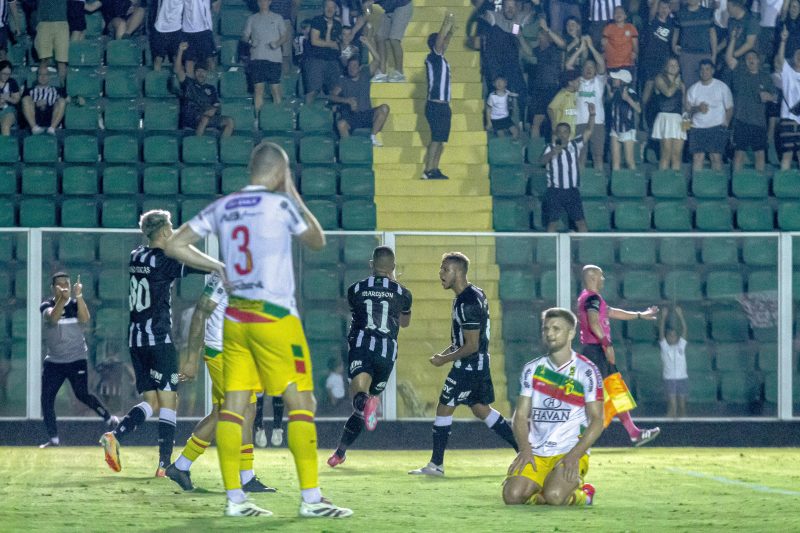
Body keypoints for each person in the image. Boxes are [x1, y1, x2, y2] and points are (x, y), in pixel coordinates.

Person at [163, 141, 352, 518]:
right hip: (275, 317)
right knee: (301, 402)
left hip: (236, 320)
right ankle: (312, 500)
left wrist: (219, 267)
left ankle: (236, 499)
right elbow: (317, 240)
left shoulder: (225, 206)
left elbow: (173, 244)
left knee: (233, 409)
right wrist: (292, 191)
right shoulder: (279, 204)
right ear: (279, 172)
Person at [99, 210, 204, 477]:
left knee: (152, 401)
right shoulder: (164, 260)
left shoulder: (137, 255)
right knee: (169, 400)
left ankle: (115, 434)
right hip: (158, 339)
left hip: (136, 339)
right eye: (171, 228)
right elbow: (194, 266)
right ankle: (163, 464)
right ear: (165, 232)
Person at [164, 273, 276, 494]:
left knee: (223, 412)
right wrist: (191, 359)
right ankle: (246, 478)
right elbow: (200, 312)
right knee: (244, 409)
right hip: (223, 353)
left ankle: (181, 467)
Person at [409, 252, 517, 477]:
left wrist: (443, 360)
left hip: (468, 366)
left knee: (444, 407)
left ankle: (436, 465)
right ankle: (524, 449)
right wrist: (446, 352)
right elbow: (464, 341)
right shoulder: (474, 294)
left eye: (445, 269)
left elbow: (472, 345)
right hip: (477, 364)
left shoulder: (467, 303)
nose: (441, 274)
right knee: (481, 409)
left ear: (458, 272)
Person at [502, 308, 603, 507]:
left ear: (571, 333)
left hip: (568, 451)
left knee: (555, 497)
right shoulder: (532, 369)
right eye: (546, 328)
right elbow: (520, 416)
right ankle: (543, 490)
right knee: (512, 496)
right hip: (537, 452)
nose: (549, 333)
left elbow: (597, 420)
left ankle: (585, 494)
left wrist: (575, 454)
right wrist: (525, 450)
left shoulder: (587, 371)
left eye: (556, 329)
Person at [327, 246, 413, 467]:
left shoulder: (355, 289)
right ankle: (340, 453)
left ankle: (367, 405)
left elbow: (354, 312)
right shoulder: (403, 293)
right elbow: (404, 323)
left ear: (371, 264)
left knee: (358, 397)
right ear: (393, 268)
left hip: (362, 346)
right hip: (386, 353)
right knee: (362, 408)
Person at [577, 264, 661, 446]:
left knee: (614, 390)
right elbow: (593, 322)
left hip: (596, 351)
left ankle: (633, 433)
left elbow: (613, 312)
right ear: (592, 278)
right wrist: (606, 344)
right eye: (601, 276)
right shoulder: (591, 299)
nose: (604, 279)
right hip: (595, 352)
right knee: (598, 394)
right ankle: (579, 435)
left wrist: (640, 315)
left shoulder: (593, 299)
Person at [39, 273, 118, 448]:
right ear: (53, 288)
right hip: (54, 361)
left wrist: (79, 296)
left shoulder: (75, 304)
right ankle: (53, 439)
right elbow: (53, 318)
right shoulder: (46, 305)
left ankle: (109, 418)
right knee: (47, 399)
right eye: (59, 285)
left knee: (82, 394)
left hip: (76, 360)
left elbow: (85, 318)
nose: (63, 287)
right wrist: (62, 299)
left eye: (66, 284)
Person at [540, 105, 595, 233]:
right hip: (555, 191)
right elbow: (541, 161)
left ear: (569, 133)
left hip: (572, 191)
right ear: (556, 133)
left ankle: (585, 250)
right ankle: (550, 250)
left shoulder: (575, 145)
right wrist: (553, 153)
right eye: (560, 132)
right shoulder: (550, 147)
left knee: (581, 223)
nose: (563, 135)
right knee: (552, 223)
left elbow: (588, 131)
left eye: (565, 132)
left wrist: (592, 116)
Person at [330, 36, 390, 147]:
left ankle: (372, 137)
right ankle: (349, 148)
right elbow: (332, 96)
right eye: (350, 66)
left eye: (355, 66)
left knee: (384, 108)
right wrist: (346, 100)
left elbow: (377, 60)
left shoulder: (365, 74)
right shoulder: (343, 80)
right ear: (347, 67)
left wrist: (368, 44)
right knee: (341, 124)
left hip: (366, 114)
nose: (353, 68)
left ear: (359, 67)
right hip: (351, 116)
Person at [726, 43, 775, 172]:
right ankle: (736, 182)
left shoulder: (765, 77)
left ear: (758, 60)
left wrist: (769, 96)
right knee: (739, 153)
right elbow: (729, 59)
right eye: (748, 58)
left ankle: (760, 185)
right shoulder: (740, 73)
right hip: (741, 120)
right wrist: (732, 39)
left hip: (759, 122)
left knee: (760, 154)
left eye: (753, 57)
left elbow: (776, 97)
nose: (751, 60)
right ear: (745, 62)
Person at [175, 41, 235, 137]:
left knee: (229, 121)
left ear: (207, 74)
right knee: (205, 119)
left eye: (203, 72)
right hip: (190, 118)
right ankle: (198, 145)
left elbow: (216, 104)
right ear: (195, 73)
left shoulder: (211, 88)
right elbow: (178, 70)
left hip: (207, 116)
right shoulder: (188, 83)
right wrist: (180, 51)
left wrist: (214, 109)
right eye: (198, 71)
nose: (201, 74)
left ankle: (222, 146)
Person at [422, 12, 455, 180]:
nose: (444, 44)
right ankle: (428, 170)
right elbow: (442, 38)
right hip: (435, 105)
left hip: (444, 105)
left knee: (441, 140)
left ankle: (434, 169)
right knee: (436, 139)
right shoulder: (433, 57)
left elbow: (446, 39)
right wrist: (446, 23)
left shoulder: (441, 58)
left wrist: (452, 30)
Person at [243, 0, 290, 112]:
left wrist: (277, 44)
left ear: (270, 2)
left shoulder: (278, 18)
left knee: (275, 89)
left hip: (274, 59)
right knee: (258, 90)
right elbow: (245, 36)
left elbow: (284, 36)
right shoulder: (252, 18)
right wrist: (250, 42)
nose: (263, 2)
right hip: (257, 58)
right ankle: (258, 119)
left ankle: (278, 118)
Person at [686, 59, 733, 171]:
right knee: (697, 158)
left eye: (707, 69)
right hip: (697, 128)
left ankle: (717, 186)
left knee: (716, 157)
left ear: (712, 71)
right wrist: (697, 108)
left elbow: (730, 108)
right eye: (702, 69)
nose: (704, 72)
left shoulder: (722, 87)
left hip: (716, 127)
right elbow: (686, 111)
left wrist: (726, 124)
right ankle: (697, 185)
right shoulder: (693, 89)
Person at [568, 36, 606, 169]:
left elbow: (601, 63)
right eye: (586, 67)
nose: (589, 69)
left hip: (597, 122)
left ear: (595, 70)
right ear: (582, 69)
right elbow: (568, 65)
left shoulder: (599, 81)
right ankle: (581, 185)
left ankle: (598, 184)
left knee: (598, 156)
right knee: (580, 156)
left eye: (591, 67)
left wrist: (590, 47)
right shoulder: (577, 81)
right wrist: (581, 50)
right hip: (579, 122)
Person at [650, 56, 687, 171]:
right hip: (664, 117)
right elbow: (668, 93)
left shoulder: (681, 84)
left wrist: (687, 125)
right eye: (671, 65)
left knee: (677, 155)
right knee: (666, 154)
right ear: (665, 67)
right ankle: (663, 183)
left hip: (678, 119)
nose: (673, 67)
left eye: (676, 65)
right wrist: (676, 83)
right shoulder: (659, 79)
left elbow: (684, 105)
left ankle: (675, 184)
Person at [304, 0, 343, 105]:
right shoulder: (317, 21)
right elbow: (314, 41)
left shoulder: (338, 25)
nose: (329, 9)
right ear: (323, 8)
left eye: (332, 7)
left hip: (333, 61)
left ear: (335, 9)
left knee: (335, 91)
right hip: (316, 60)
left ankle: (333, 117)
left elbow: (339, 44)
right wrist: (331, 44)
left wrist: (331, 44)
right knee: (313, 91)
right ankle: (307, 115)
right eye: (327, 7)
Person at [526, 27, 563, 139]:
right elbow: (528, 52)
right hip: (539, 90)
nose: (540, 36)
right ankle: (535, 152)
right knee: (536, 122)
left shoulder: (554, 49)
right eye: (539, 34)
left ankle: (556, 148)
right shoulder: (537, 50)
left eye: (542, 34)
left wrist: (547, 29)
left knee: (554, 122)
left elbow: (562, 45)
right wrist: (518, 35)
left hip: (552, 89)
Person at [672, 0, 716, 89]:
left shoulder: (708, 12)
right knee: (688, 85)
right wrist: (673, 46)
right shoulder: (679, 14)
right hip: (687, 55)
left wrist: (714, 55)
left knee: (706, 84)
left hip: (704, 54)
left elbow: (712, 34)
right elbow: (676, 32)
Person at [367, 0, 413, 82]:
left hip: (402, 5)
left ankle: (400, 74)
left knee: (394, 39)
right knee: (379, 37)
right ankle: (382, 72)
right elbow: (368, 10)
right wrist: (367, 8)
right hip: (389, 9)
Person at [775, 28, 800, 170]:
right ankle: (784, 186)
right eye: (798, 54)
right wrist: (783, 40)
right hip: (787, 118)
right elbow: (779, 60)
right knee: (787, 154)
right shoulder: (788, 73)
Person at [658, 306, 688, 418]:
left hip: (682, 378)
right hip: (670, 378)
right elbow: (661, 333)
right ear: (667, 337)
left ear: (677, 337)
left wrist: (680, 316)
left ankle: (684, 426)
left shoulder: (681, 346)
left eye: (674, 335)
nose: (672, 337)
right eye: (670, 335)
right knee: (673, 405)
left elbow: (685, 329)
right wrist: (663, 318)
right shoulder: (665, 347)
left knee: (682, 406)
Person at [608, 69, 641, 170]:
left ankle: (633, 182)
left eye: (616, 78)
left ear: (622, 81)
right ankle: (616, 184)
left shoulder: (631, 93)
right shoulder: (616, 92)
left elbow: (639, 109)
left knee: (629, 161)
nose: (613, 79)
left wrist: (627, 99)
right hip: (615, 129)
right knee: (615, 162)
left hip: (627, 129)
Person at [21, 65, 66, 135]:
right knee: (25, 99)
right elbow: (23, 105)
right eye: (40, 74)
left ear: (49, 77)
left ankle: (52, 128)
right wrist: (35, 104)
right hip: (36, 116)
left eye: (45, 75)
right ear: (37, 76)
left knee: (62, 101)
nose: (43, 77)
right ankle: (34, 128)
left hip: (51, 116)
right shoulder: (29, 90)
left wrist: (78, 98)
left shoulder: (57, 90)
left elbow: (69, 99)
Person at [34, 0, 69, 85]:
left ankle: (62, 89)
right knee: (44, 59)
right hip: (43, 23)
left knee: (62, 61)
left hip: (61, 23)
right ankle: (41, 90)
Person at [181, 0, 218, 76]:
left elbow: (216, 7)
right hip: (187, 30)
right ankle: (190, 86)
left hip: (204, 29)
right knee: (189, 61)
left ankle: (211, 85)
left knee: (209, 59)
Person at [602, 5, 638, 73]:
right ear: (613, 16)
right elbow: (604, 44)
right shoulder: (608, 28)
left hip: (627, 63)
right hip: (612, 63)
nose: (618, 14)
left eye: (621, 12)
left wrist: (635, 53)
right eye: (616, 12)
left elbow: (635, 45)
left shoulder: (631, 27)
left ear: (625, 16)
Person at [150, 0, 183, 71]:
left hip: (177, 28)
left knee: (176, 59)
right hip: (160, 28)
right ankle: (156, 81)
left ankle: (177, 81)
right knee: (158, 59)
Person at [547, 69, 580, 137]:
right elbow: (550, 109)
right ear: (570, 83)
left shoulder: (577, 94)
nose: (580, 83)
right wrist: (554, 124)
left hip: (573, 134)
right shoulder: (562, 94)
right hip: (562, 134)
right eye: (578, 81)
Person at [0, 60, 21, 135]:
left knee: (5, 125)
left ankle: (5, 146)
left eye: (8, 74)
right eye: (4, 73)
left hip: (8, 110)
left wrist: (8, 98)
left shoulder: (12, 82)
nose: (6, 76)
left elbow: (17, 100)